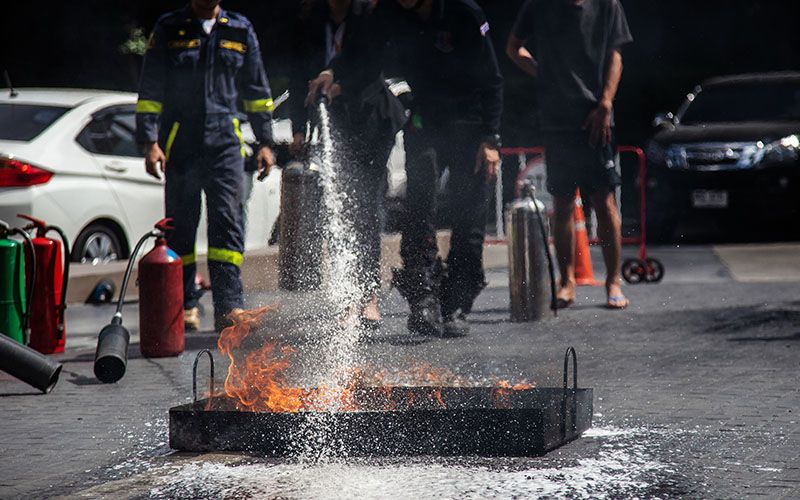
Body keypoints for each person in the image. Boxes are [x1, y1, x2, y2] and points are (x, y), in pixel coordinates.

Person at [309, 0, 503, 337]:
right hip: (424, 118)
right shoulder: (389, 13)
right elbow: (361, 53)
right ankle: (423, 297)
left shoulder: (464, 13)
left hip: (470, 122)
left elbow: (492, 78)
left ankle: (457, 303)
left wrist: (490, 139)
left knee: (468, 214)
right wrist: (333, 72)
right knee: (419, 206)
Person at [136, 0, 276, 332]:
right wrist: (150, 142)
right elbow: (151, 88)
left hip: (225, 144)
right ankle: (184, 304)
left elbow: (257, 90)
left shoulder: (239, 30)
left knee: (228, 223)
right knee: (180, 226)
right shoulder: (170, 28)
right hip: (181, 142)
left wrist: (266, 142)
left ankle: (229, 307)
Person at [506, 0, 632, 309]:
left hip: (596, 117)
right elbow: (513, 48)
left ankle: (613, 281)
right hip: (557, 119)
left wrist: (605, 103)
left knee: (605, 202)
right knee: (562, 203)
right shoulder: (539, 6)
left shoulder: (606, 6)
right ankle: (566, 281)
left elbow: (617, 56)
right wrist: (543, 75)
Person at [290, 0, 406, 329]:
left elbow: (373, 64)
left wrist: (342, 85)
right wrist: (298, 128)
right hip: (334, 125)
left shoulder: (367, 17)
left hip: (371, 121)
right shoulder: (311, 22)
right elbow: (299, 76)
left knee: (366, 208)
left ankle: (367, 295)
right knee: (341, 209)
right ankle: (347, 296)